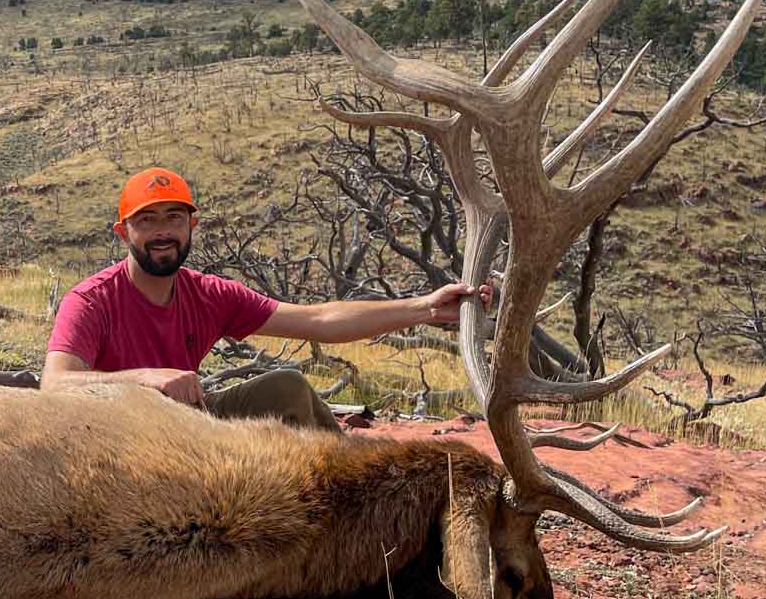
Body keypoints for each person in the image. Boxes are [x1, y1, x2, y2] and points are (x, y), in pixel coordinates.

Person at [41, 167, 490, 429]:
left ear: (191, 227)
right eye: (147, 220)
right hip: (114, 439)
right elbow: (55, 386)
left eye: (174, 217)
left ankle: (348, 507)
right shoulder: (92, 301)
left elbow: (318, 320)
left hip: (190, 429)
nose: (162, 231)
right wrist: (146, 379)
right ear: (124, 232)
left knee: (287, 387)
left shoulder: (208, 294)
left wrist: (426, 308)